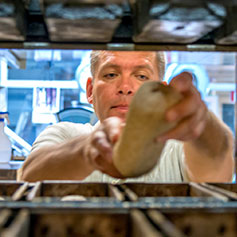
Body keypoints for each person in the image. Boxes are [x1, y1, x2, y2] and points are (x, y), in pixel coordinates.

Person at [18, 51, 234, 182]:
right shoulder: (65, 134)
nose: (125, 87)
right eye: (111, 74)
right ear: (90, 90)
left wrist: (202, 126)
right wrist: (87, 151)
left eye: (141, 76)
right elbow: (28, 176)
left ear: (162, 92)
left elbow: (218, 168)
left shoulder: (178, 147)